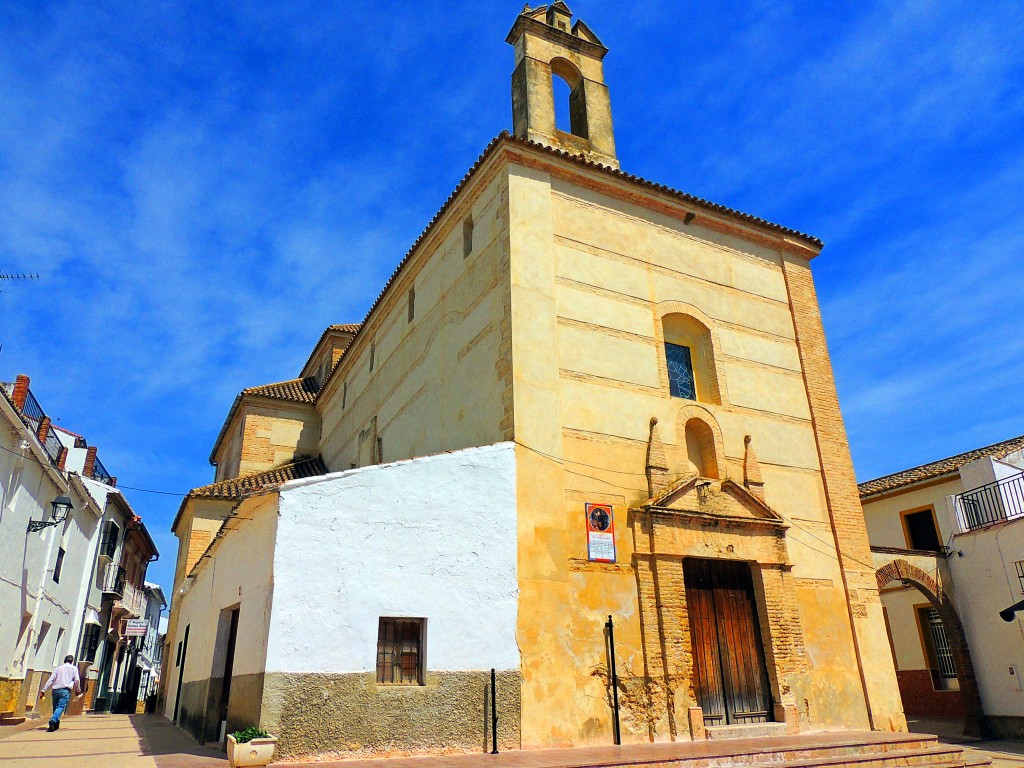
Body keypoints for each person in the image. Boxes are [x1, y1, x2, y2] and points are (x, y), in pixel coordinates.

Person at [39, 655, 81, 732]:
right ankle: (53, 720)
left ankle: (55, 725)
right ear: (72, 661)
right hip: (65, 690)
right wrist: (77, 689)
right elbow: (77, 680)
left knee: (55, 708)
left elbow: (50, 680)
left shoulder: (57, 669)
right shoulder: (74, 668)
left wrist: (43, 690)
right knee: (60, 707)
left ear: (64, 661)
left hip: (55, 690)